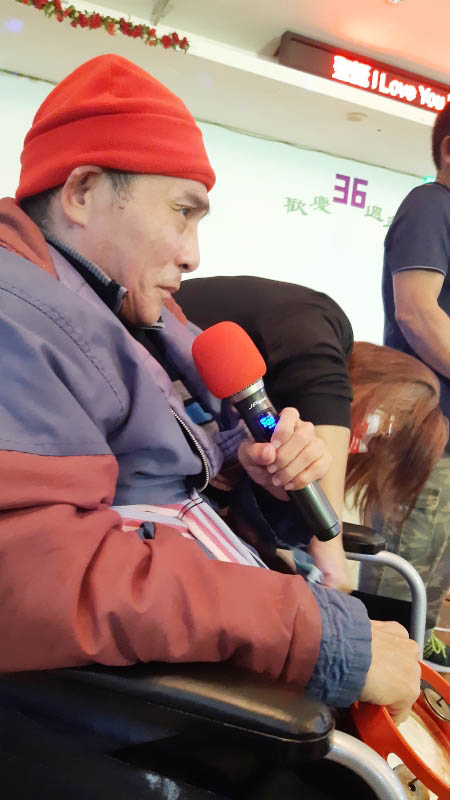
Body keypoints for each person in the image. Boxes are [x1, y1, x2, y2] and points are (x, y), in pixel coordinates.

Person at [0, 54, 420, 729]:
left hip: (219, 641)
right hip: (140, 724)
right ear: (82, 191)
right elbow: (37, 578)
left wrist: (263, 483)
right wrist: (312, 633)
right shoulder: (13, 323)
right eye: (182, 213)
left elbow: (185, 482)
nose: (194, 255)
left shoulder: (143, 318)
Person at [176, 275, 447, 601]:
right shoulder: (319, 322)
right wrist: (329, 544)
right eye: (377, 426)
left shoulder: (268, 429)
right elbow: (322, 382)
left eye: (375, 445)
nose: (362, 442)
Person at [381, 102, 450, 672]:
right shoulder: (430, 204)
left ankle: (409, 685)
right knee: (402, 589)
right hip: (428, 438)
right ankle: (371, 707)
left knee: (428, 588)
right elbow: (417, 312)